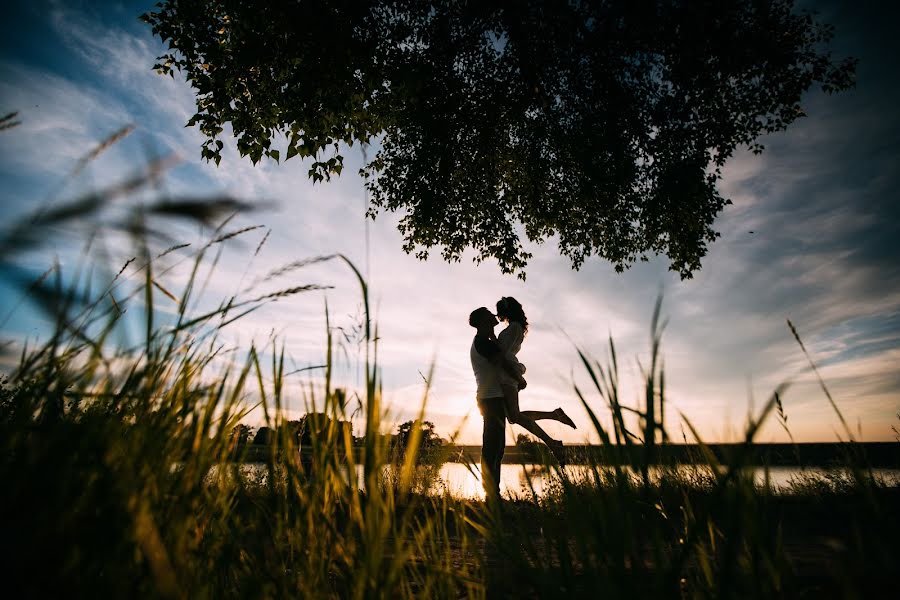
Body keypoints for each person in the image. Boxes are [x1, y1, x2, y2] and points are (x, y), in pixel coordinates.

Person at [494, 296, 575, 463]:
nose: (498, 315)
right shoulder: (513, 327)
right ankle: (554, 417)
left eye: (500, 311)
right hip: (506, 374)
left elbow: (503, 355)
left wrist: (517, 377)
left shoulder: (514, 328)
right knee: (513, 417)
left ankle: (552, 442)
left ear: (507, 310)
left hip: (507, 375)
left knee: (514, 416)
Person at [469, 306, 525, 498]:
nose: (494, 316)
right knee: (493, 447)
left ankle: (493, 493)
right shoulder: (484, 343)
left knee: (497, 447)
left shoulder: (485, 341)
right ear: (484, 321)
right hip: (491, 400)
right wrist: (519, 380)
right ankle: (491, 495)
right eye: (489, 314)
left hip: (491, 399)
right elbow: (502, 363)